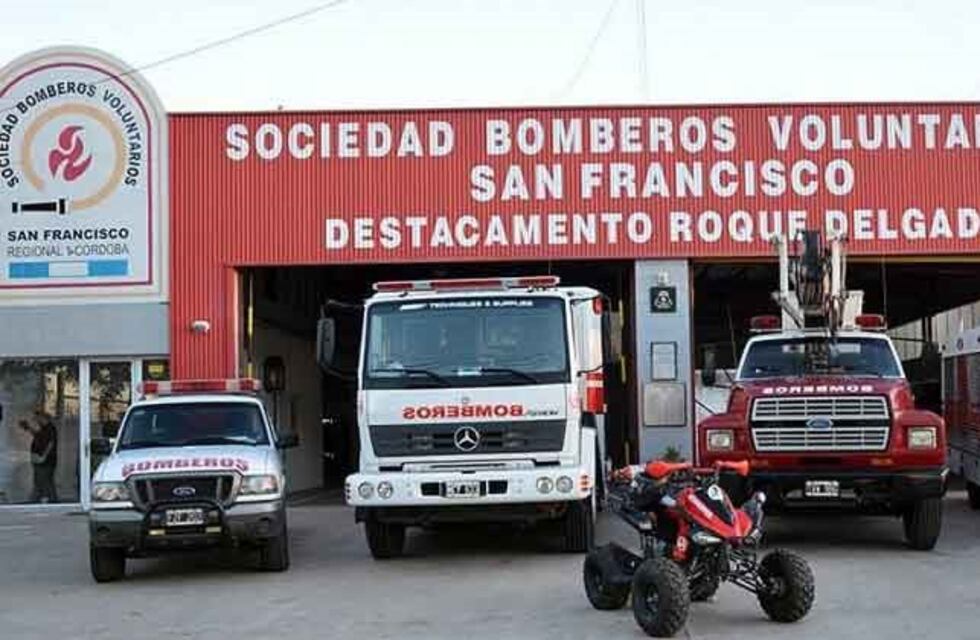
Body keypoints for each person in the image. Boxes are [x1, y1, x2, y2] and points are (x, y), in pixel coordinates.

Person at [20, 407, 58, 503]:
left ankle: (44, 501)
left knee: (43, 482)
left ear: (43, 418)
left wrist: (43, 457)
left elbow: (50, 443)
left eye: (37, 419)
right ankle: (48, 500)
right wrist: (28, 428)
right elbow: (38, 435)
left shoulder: (50, 429)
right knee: (43, 482)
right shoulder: (44, 429)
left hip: (45, 462)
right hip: (40, 460)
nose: (36, 421)